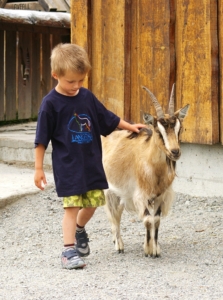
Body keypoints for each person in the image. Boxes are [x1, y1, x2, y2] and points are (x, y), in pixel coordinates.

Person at [34, 43, 146, 270]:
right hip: (68, 167)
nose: (76, 86)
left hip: (92, 164)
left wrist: (129, 126)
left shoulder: (86, 97)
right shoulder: (50, 105)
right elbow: (41, 140)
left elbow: (107, 117)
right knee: (72, 207)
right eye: (70, 81)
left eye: (81, 81)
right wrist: (38, 169)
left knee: (93, 204)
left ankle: (79, 229)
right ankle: (68, 251)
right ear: (56, 75)